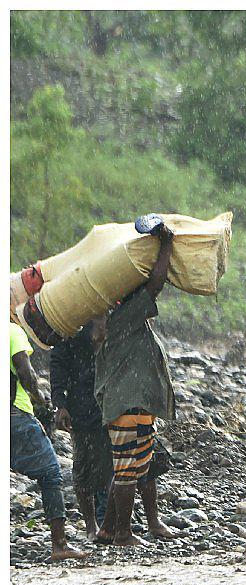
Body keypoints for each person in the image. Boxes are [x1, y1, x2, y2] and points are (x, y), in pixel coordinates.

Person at [92, 222, 186, 546]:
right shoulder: (123, 316)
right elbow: (156, 283)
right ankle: (123, 534)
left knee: (136, 465)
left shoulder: (118, 318)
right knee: (127, 470)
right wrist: (166, 245)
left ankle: (108, 529)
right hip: (127, 403)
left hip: (135, 402)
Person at [11, 322, 86, 561]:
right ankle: (59, 545)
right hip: (14, 417)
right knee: (51, 474)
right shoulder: (11, 331)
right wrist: (40, 398)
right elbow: (26, 375)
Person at [51, 318, 113, 538]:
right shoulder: (71, 320)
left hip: (113, 400)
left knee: (114, 465)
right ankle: (91, 526)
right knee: (84, 467)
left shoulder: (114, 314)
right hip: (83, 404)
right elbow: (58, 364)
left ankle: (110, 522)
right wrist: (60, 404)